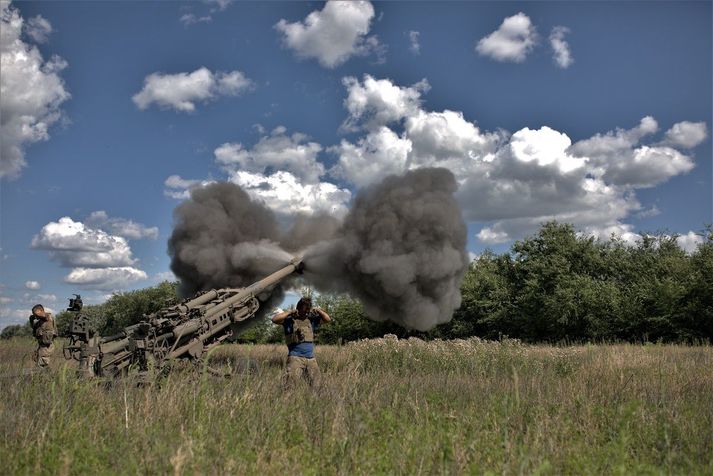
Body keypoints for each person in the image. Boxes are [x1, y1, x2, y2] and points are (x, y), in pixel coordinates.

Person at [272, 296, 331, 387]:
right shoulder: (289, 320)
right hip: (295, 358)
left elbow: (328, 319)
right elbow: (275, 319)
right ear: (298, 309)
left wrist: (318, 310)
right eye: (304, 310)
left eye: (308, 311)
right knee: (289, 387)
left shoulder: (311, 320)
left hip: (311, 359)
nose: (306, 313)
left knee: (318, 386)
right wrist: (290, 312)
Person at [29, 304, 56, 368]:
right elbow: (34, 328)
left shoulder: (49, 317)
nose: (35, 316)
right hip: (41, 346)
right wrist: (31, 320)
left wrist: (36, 314)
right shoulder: (39, 322)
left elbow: (45, 315)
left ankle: (44, 375)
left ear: (41, 310)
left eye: (35, 313)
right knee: (38, 361)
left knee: (43, 363)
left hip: (47, 346)